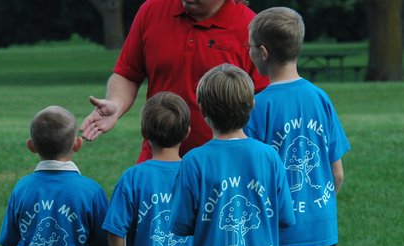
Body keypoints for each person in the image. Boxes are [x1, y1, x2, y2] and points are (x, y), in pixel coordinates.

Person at [244, 7, 351, 246]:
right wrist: (316, 207)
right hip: (323, 228)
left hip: (283, 234)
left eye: (249, 46)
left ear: (262, 52)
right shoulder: (320, 97)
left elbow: (255, 178)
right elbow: (337, 172)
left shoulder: (258, 106)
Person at [169, 63, 296, 246]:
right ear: (251, 106)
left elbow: (180, 224)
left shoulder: (194, 161)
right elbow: (285, 217)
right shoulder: (269, 156)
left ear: (202, 110)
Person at [80, 0, 269, 163]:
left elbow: (264, 103)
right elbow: (128, 73)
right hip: (158, 159)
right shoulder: (152, 10)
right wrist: (116, 104)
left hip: (222, 167)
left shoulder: (251, 28)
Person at [0, 106, 109, 246]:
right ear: (77, 144)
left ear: (31, 146)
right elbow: (102, 244)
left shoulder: (22, 188)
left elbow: (10, 240)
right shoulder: (91, 191)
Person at [102, 92, 193, 246]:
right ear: (187, 133)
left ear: (144, 134)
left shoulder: (133, 178)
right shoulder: (197, 175)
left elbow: (115, 231)